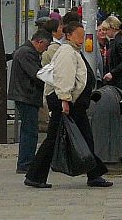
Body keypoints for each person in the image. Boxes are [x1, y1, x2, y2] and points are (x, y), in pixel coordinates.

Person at [23, 20, 112, 189]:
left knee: (82, 137)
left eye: (82, 35)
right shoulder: (67, 52)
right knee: (55, 139)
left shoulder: (73, 51)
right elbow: (65, 77)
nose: (81, 38)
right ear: (68, 35)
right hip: (67, 103)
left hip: (72, 103)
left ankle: (93, 174)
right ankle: (35, 176)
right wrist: (64, 99)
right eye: (78, 35)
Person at [9, 29, 52, 175]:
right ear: (39, 42)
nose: (45, 50)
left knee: (29, 130)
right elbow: (36, 74)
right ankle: (25, 163)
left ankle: (26, 161)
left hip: (25, 95)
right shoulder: (27, 53)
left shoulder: (25, 51)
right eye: (45, 47)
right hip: (26, 96)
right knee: (30, 131)